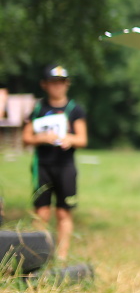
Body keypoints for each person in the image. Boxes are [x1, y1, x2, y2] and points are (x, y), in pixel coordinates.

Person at [22, 63, 88, 261]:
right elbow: (26, 137)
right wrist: (41, 138)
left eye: (61, 83)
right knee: (41, 212)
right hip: (42, 166)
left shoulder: (75, 109)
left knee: (63, 212)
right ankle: (38, 255)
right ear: (45, 85)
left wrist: (69, 139)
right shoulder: (38, 108)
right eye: (53, 83)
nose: (57, 87)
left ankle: (62, 255)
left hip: (65, 167)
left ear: (67, 84)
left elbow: (82, 139)